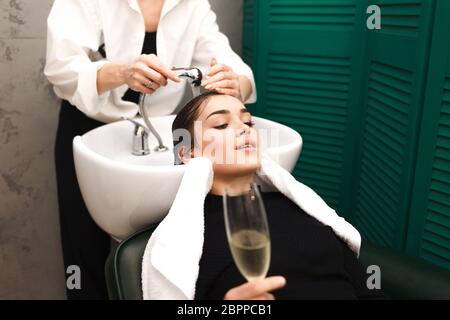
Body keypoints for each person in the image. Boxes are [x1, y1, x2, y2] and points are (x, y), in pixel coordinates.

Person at [44, 0, 256, 299]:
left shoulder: (193, 4)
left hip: (162, 132)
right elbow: (60, 68)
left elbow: (227, 61)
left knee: (163, 242)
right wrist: (121, 72)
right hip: (89, 127)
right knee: (82, 245)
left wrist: (236, 83)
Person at [171, 92, 385, 299]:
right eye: (221, 124)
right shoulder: (187, 239)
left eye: (248, 122)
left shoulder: (300, 207)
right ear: (187, 153)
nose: (243, 129)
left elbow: (367, 287)